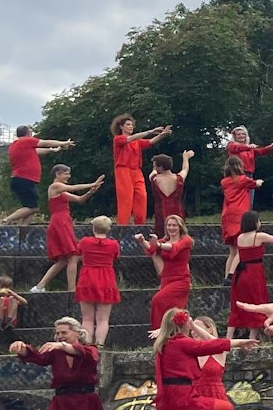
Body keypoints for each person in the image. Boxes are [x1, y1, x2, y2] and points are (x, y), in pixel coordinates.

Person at [225, 213, 273, 339]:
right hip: (254, 273)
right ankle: (252, 338)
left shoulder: (240, 238)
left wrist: (230, 274)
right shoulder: (259, 236)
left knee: (237, 305)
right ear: (255, 222)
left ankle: (228, 338)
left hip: (240, 275)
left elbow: (238, 256)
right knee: (257, 302)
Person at [32, 166, 103, 293]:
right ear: (58, 174)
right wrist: (92, 183)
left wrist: (91, 191)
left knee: (64, 259)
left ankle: (39, 286)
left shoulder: (62, 192)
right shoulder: (55, 187)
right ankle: (71, 289)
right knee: (73, 256)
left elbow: (80, 199)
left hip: (63, 221)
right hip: (60, 222)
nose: (68, 177)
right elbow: (74, 188)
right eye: (66, 174)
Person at [4, 127, 74, 224]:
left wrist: (53, 150)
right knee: (34, 208)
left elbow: (37, 151)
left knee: (29, 207)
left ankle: (24, 229)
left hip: (20, 179)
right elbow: (46, 142)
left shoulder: (15, 145)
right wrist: (63, 143)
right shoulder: (26, 141)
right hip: (24, 179)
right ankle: (6, 220)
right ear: (28, 133)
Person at [110, 115, 171, 226]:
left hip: (136, 171)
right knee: (126, 199)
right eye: (128, 124)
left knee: (142, 197)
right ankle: (122, 226)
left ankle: (139, 225)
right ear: (121, 127)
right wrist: (151, 131)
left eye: (132, 125)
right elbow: (130, 139)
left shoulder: (136, 142)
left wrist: (162, 135)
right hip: (123, 170)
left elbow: (150, 142)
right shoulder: (118, 139)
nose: (131, 127)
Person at [137, 215, 194, 329]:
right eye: (169, 225)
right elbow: (151, 249)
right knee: (173, 311)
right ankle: (171, 336)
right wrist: (142, 241)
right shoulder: (165, 240)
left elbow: (175, 247)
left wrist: (159, 245)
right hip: (166, 280)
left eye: (174, 225)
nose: (171, 228)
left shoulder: (186, 240)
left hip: (181, 280)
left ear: (180, 227)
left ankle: (158, 331)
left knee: (157, 300)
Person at [74, 215, 122, 347]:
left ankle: (87, 344)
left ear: (93, 228)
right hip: (106, 278)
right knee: (103, 319)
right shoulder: (113, 244)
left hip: (87, 277)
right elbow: (116, 256)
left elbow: (78, 252)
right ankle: (99, 345)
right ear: (108, 229)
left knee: (87, 318)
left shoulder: (85, 242)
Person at [218, 155, 263, 244]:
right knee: (241, 248)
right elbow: (256, 184)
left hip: (227, 215)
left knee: (233, 251)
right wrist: (260, 181)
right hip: (240, 214)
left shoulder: (224, 182)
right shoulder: (243, 179)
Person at [149, 150, 193, 238]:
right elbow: (185, 169)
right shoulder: (179, 178)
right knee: (179, 236)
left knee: (160, 237)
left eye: (155, 166)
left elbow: (153, 173)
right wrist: (185, 158)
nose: (154, 168)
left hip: (161, 212)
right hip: (177, 212)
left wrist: (154, 170)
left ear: (160, 167)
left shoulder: (154, 178)